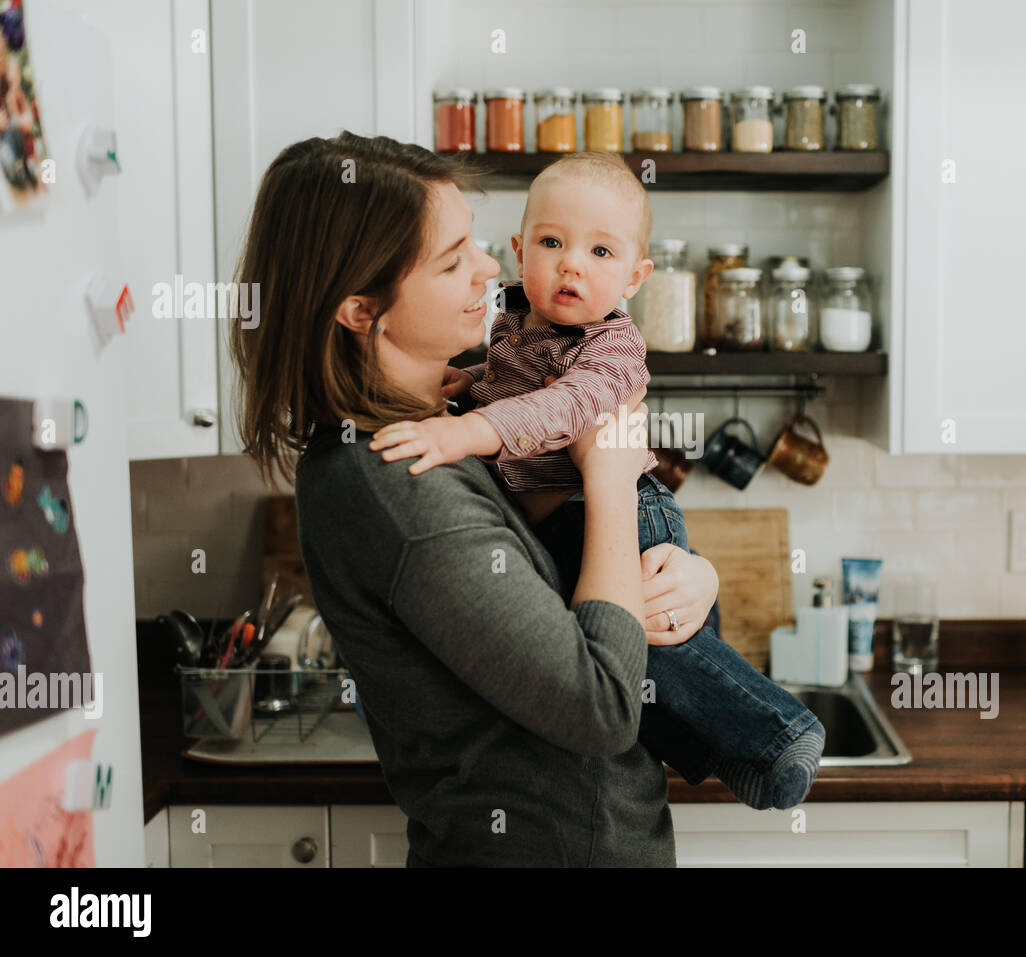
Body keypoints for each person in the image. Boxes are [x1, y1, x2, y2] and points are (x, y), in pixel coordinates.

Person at [229, 131, 723, 867]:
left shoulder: (446, 427)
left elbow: (575, 593)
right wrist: (614, 482)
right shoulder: (399, 480)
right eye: (454, 259)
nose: (492, 266)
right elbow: (603, 705)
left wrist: (692, 579)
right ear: (361, 309)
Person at [367, 151, 825, 810]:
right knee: (628, 657)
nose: (572, 263)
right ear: (521, 249)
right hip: (568, 517)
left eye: (601, 252)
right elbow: (510, 391)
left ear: (637, 276)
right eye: (552, 242)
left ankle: (780, 730)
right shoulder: (513, 321)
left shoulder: (610, 350)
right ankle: (719, 749)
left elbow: (562, 410)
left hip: (623, 506)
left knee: (658, 644)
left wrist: (462, 430)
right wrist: (469, 387)